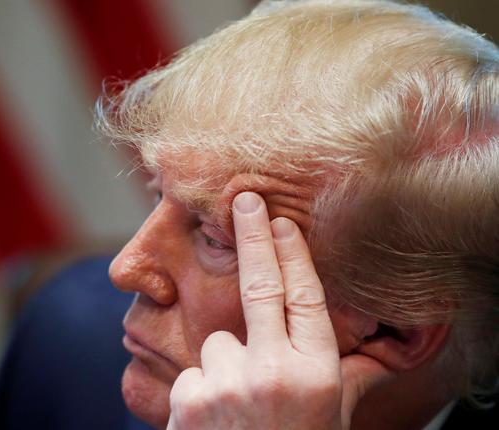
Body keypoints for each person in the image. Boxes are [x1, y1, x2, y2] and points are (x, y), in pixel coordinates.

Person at [95, 0, 499, 428]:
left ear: (393, 331)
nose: (126, 268)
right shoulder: (67, 346)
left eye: (216, 239)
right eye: (158, 195)